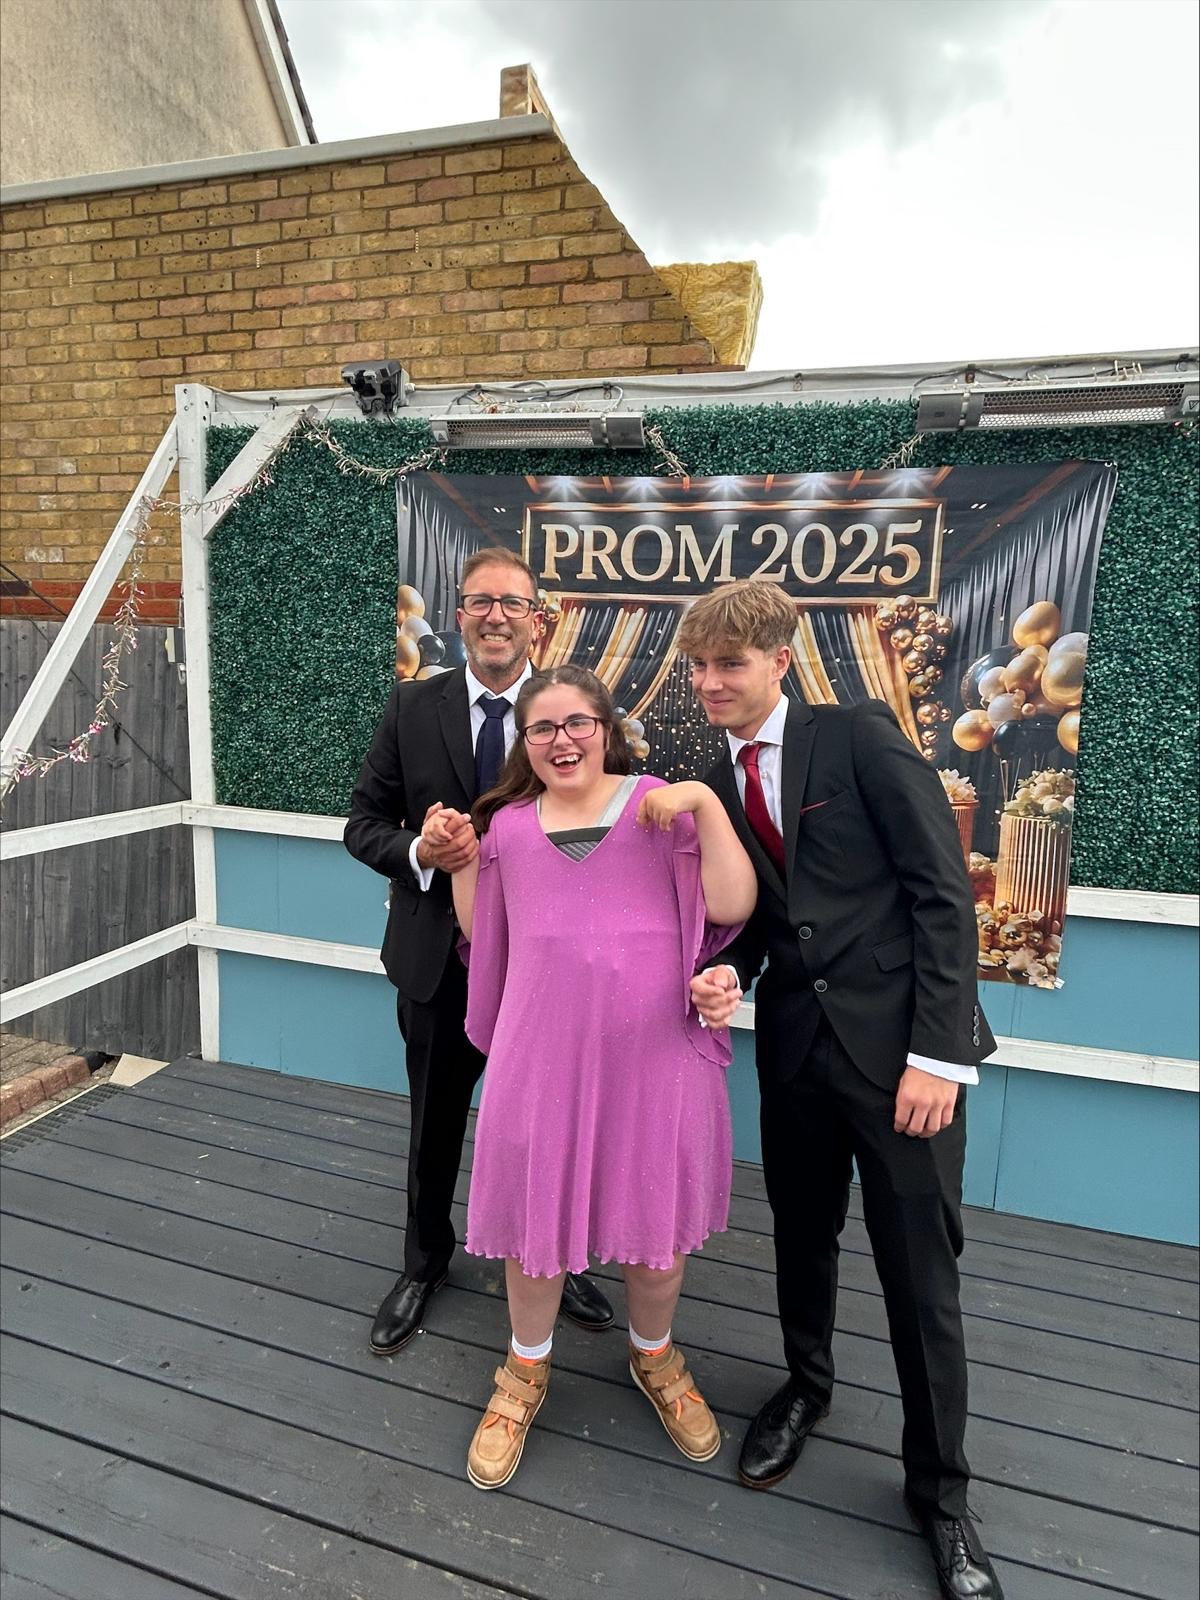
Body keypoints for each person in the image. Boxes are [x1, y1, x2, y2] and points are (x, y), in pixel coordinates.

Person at [682, 581, 1003, 1600]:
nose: (710, 682)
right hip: (796, 1055)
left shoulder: (858, 735)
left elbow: (942, 895)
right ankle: (805, 1386)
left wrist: (938, 1057)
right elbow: (767, 922)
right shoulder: (716, 778)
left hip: (905, 1061)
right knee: (802, 1238)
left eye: (729, 663)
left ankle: (941, 1497)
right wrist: (730, 972)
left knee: (920, 1278)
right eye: (699, 666)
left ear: (781, 659)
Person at [437, 664, 756, 1490]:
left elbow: (731, 904)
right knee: (535, 1237)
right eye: (542, 728)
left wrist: (704, 802)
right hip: (541, 1058)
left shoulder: (660, 805)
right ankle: (524, 1371)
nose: (562, 740)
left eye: (577, 722)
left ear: (606, 728)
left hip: (655, 1059)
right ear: (525, 743)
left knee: (656, 1239)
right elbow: (485, 933)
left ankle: (654, 1356)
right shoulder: (507, 828)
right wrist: (462, 860)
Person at [344, 549, 614, 1355]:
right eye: (480, 602)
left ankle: (558, 1257)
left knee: (553, 1128)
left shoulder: (568, 711)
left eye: (512, 603)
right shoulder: (410, 706)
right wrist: (422, 851)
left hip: (548, 970)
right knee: (433, 1123)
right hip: (437, 962)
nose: (496, 616)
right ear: (459, 615)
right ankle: (425, 1262)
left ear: (538, 618)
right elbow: (363, 825)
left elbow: (612, 817)